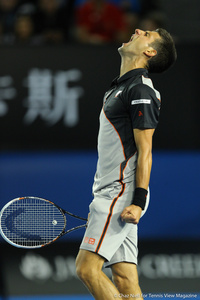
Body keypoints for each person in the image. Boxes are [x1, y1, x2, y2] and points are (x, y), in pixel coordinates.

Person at [76, 28, 177, 299]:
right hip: (113, 191)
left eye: (146, 34)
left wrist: (138, 200)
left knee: (87, 269)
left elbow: (146, 150)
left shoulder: (140, 88)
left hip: (120, 193)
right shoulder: (119, 87)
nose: (138, 30)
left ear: (150, 52)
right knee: (125, 279)